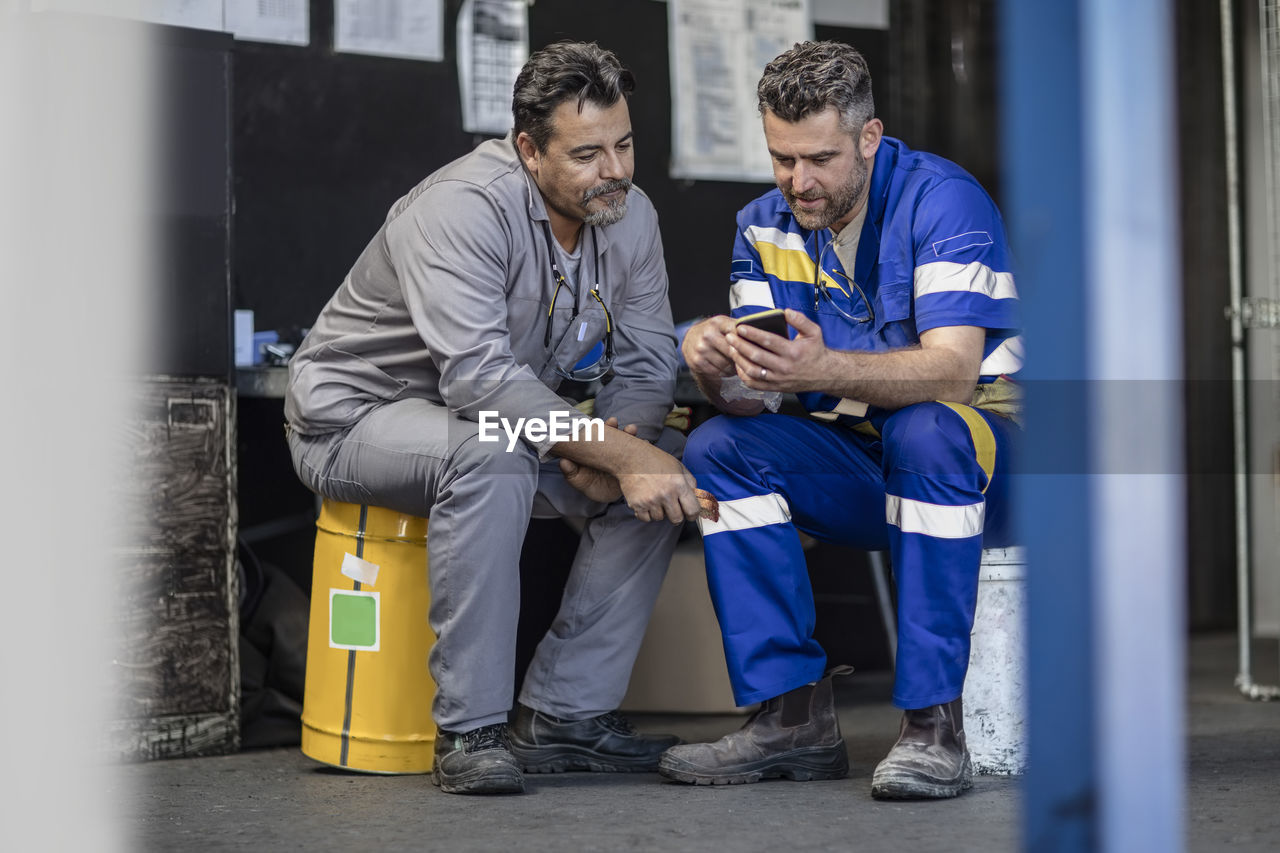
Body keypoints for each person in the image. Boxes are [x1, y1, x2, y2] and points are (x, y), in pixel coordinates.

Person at [284, 41, 703, 796]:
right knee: (493, 454)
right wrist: (608, 449)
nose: (615, 169)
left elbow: (646, 360)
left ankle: (565, 713)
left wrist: (628, 448)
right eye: (586, 153)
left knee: (665, 462)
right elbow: (479, 379)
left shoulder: (628, 215)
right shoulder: (460, 208)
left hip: (493, 421)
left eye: (624, 144)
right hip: (353, 419)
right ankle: (469, 729)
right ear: (528, 151)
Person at [658, 41, 1022, 800]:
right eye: (782, 158)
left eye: (819, 158)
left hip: (993, 464)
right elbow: (754, 399)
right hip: (868, 464)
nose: (800, 181)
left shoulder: (943, 199)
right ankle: (790, 713)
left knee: (926, 429)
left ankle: (932, 727)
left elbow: (954, 371)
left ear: (869, 136)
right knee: (721, 446)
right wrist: (712, 366)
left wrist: (823, 370)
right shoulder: (763, 226)